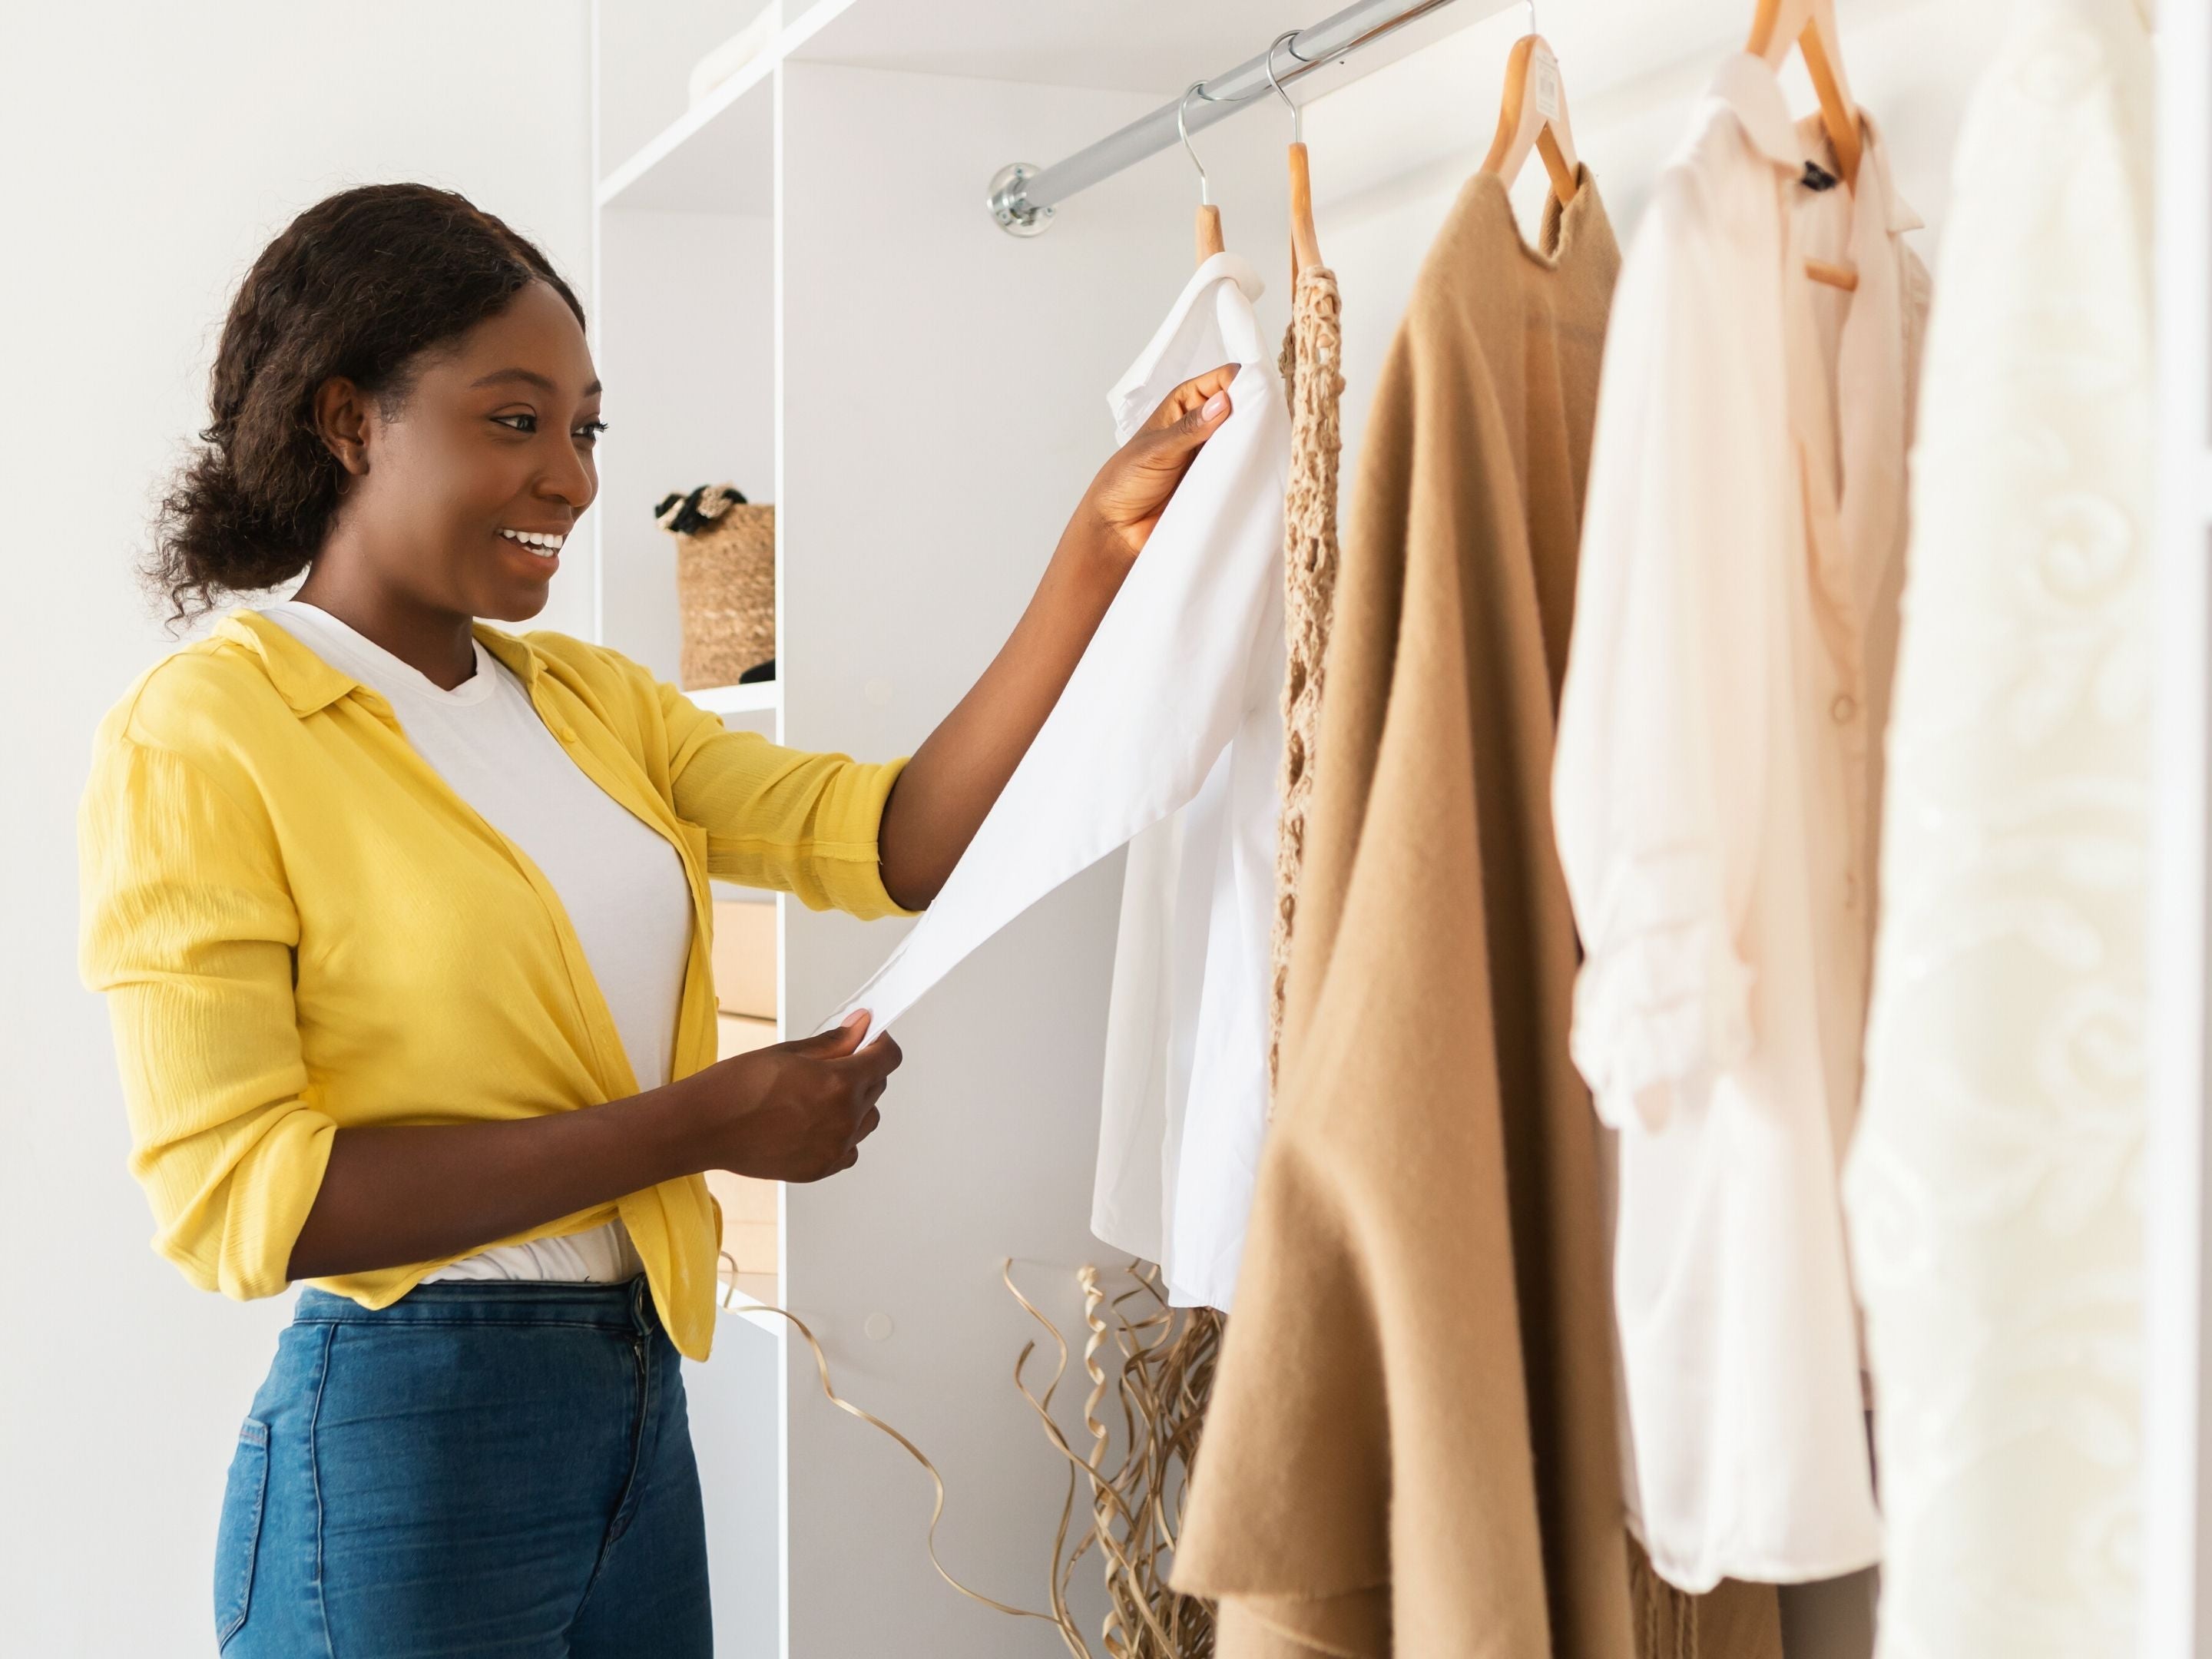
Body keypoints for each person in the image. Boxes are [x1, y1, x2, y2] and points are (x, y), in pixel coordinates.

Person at [77, 182, 1234, 1657]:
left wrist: (1098, 552)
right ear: (349, 422)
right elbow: (245, 1201)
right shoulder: (207, 731)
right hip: (402, 1445)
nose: (570, 476)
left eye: (586, 429)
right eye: (515, 420)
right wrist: (704, 1124)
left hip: (634, 1402)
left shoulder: (590, 704)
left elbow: (896, 840)